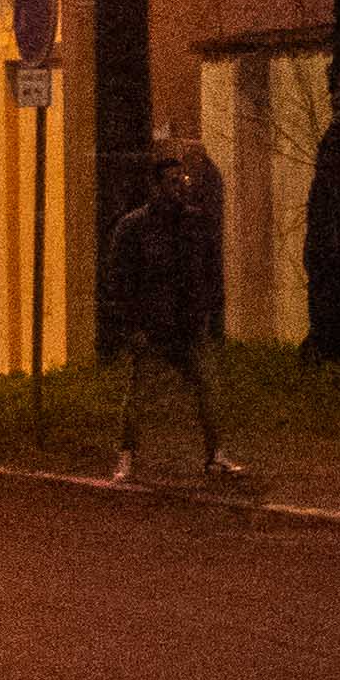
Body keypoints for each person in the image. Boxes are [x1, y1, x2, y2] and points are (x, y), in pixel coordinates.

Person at [101, 152, 246, 484]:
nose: (181, 187)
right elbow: (121, 281)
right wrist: (132, 326)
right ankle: (126, 456)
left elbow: (210, 270)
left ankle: (215, 454)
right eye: (172, 181)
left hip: (188, 323)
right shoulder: (134, 227)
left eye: (183, 180)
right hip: (153, 325)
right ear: (155, 187)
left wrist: (209, 311)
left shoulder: (196, 223)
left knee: (209, 388)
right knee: (138, 395)